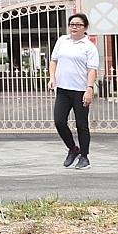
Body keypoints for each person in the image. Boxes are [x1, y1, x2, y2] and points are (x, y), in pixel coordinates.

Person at [48, 11, 100, 171]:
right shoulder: (62, 41)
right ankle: (73, 148)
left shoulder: (89, 46)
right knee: (59, 121)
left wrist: (89, 89)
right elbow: (53, 60)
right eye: (72, 24)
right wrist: (52, 78)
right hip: (63, 89)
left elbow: (92, 69)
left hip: (80, 91)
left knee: (81, 125)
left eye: (78, 25)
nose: (74, 27)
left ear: (85, 27)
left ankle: (84, 157)